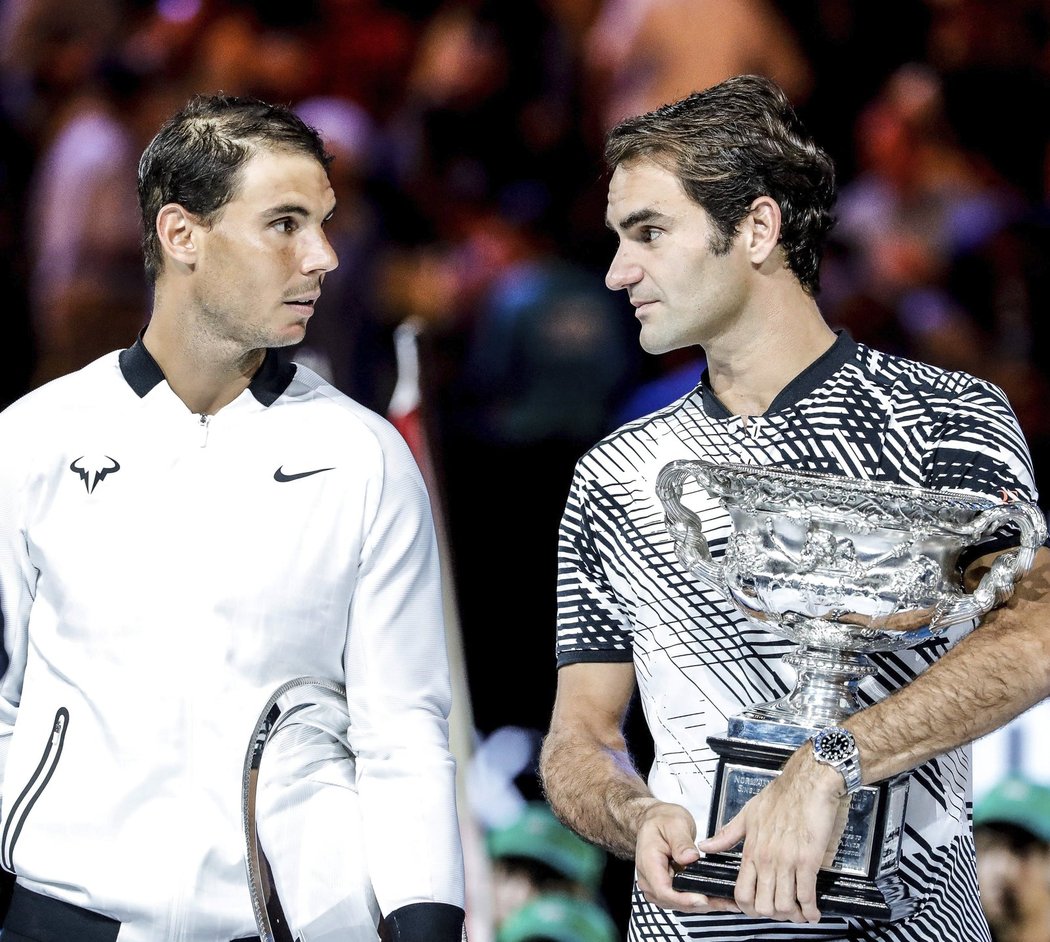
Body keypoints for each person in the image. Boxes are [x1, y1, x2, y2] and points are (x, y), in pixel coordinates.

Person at [539, 73, 1050, 940]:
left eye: (650, 232)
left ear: (757, 228)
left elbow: (1037, 632)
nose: (618, 270)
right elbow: (578, 735)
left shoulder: (942, 419)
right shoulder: (615, 472)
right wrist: (630, 813)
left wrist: (836, 760)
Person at [0, 94, 465, 941]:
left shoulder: (364, 458)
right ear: (182, 235)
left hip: (291, 925)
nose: (322, 256)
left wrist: (427, 926)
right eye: (284, 223)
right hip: (63, 921)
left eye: (324, 222)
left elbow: (403, 731)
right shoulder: (32, 441)